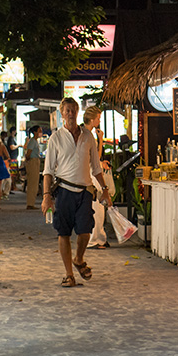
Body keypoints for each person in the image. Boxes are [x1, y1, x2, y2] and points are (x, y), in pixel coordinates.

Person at [42, 98, 111, 287]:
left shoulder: (88, 137)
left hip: (85, 191)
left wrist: (105, 190)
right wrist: (47, 197)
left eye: (73, 110)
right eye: (67, 110)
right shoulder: (55, 138)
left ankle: (79, 258)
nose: (71, 113)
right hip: (63, 191)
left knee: (85, 230)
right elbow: (48, 171)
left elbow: (96, 167)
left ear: (78, 112)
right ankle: (68, 274)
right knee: (63, 232)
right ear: (62, 113)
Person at [82, 105, 117, 248]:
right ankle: (95, 239)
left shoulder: (88, 134)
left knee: (98, 208)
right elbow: (92, 157)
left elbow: (96, 155)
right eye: (98, 118)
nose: (99, 120)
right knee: (97, 208)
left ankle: (99, 237)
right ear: (92, 119)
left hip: (91, 172)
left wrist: (100, 139)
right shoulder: (86, 135)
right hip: (91, 175)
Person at [23, 126, 45, 209]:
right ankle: (30, 203)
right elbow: (28, 153)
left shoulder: (35, 141)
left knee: (34, 183)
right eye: (40, 131)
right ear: (35, 132)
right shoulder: (32, 141)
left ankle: (31, 203)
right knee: (32, 183)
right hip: (33, 162)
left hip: (34, 161)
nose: (41, 132)